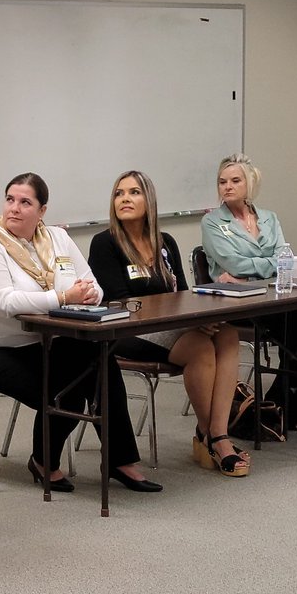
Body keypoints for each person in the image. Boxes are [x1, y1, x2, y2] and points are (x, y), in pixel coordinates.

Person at [0, 173, 162, 493]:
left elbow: (92, 284)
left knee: (98, 357)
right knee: (67, 392)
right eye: (10, 199)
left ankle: (120, 460)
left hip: (38, 340)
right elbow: (4, 302)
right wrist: (63, 297)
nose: (14, 208)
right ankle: (43, 462)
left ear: (42, 211)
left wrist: (89, 295)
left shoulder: (57, 239)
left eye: (25, 202)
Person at [88, 170, 249, 478]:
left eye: (134, 192)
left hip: (170, 325)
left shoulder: (165, 242)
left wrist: (199, 319)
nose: (124, 199)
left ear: (149, 200)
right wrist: (174, 319)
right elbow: (119, 302)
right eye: (119, 193)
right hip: (127, 330)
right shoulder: (105, 243)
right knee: (200, 348)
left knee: (227, 334)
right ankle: (213, 438)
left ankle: (216, 433)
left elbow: (183, 294)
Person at [201, 153, 297, 430]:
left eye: (235, 181)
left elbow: (284, 257)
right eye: (222, 182)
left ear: (249, 184)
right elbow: (233, 263)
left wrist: (252, 272)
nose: (227, 187)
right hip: (234, 303)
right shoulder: (212, 222)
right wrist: (269, 265)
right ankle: (285, 403)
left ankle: (293, 403)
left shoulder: (270, 218)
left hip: (271, 295)